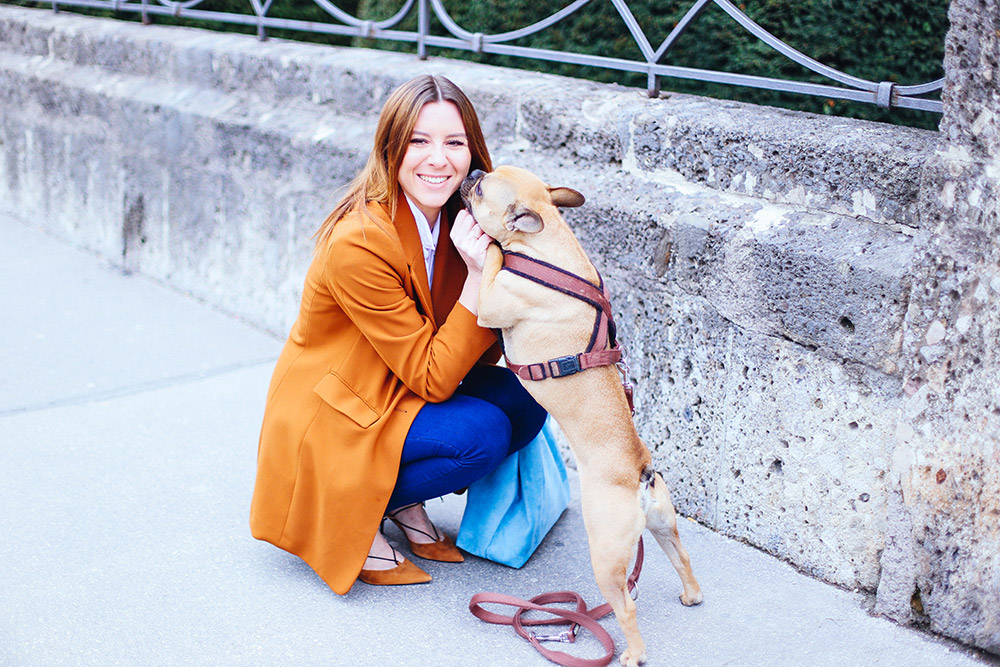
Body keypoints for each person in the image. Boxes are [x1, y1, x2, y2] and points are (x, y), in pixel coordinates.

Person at [249, 74, 546, 593]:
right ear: (392, 146)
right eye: (419, 141)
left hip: (402, 377)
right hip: (341, 404)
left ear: (472, 150)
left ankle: (400, 495)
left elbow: (483, 346)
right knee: (481, 436)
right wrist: (479, 278)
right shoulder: (359, 241)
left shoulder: (465, 217)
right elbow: (434, 378)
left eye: (454, 142)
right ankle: (358, 509)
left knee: (529, 399)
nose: (439, 159)